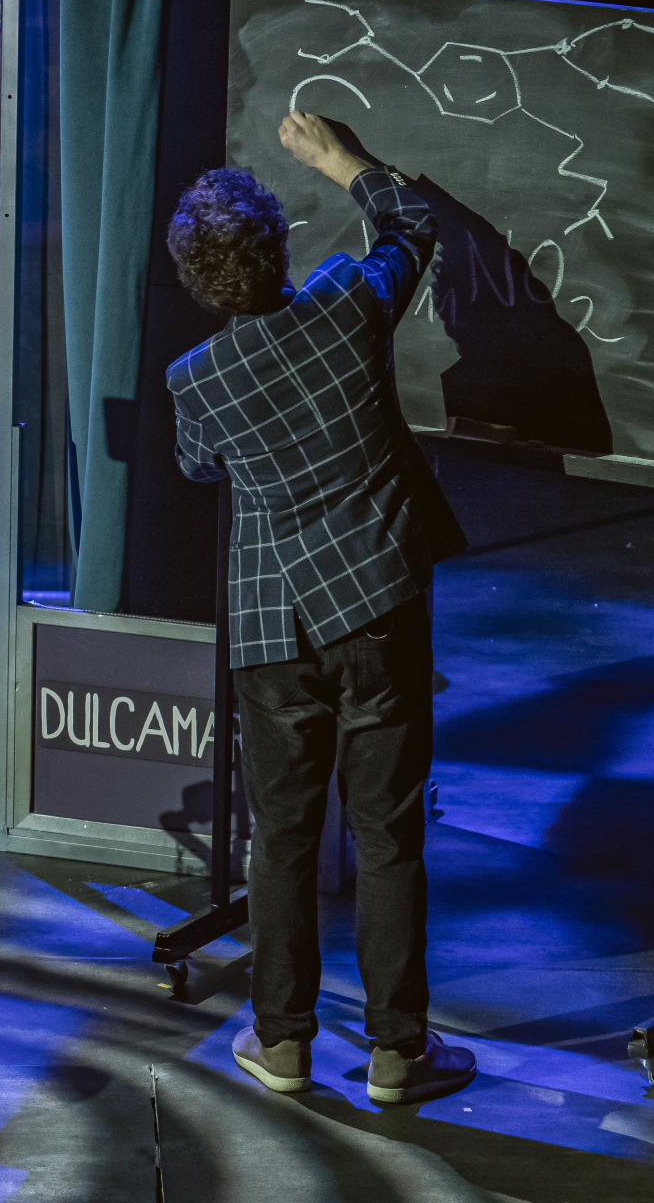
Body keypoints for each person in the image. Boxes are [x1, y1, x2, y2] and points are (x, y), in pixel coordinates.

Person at [164, 112, 475, 1105]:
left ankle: (283, 1042)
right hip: (376, 604)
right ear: (279, 244)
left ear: (195, 282)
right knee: (387, 836)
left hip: (272, 630)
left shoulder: (196, 379)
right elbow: (411, 227)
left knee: (283, 838)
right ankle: (397, 1053)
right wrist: (341, 160)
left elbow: (197, 465)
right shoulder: (346, 303)